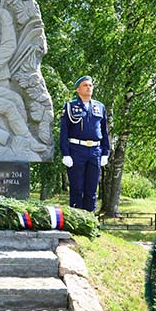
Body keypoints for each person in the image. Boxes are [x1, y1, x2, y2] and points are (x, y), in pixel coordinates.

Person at [59, 75, 110, 212]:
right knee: (77, 189)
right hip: (76, 150)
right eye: (85, 85)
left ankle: (90, 223)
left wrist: (105, 153)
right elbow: (64, 132)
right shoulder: (70, 107)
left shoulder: (99, 107)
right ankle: (77, 222)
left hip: (95, 151)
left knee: (92, 189)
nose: (89, 87)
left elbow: (104, 132)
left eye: (90, 85)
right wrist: (65, 154)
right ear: (78, 89)